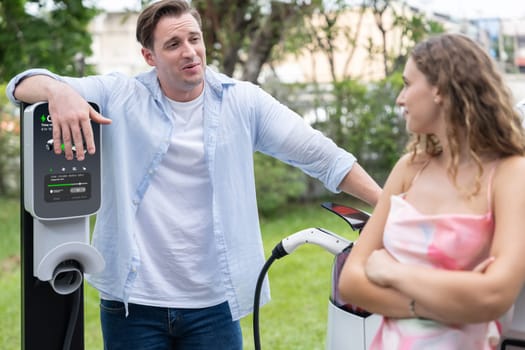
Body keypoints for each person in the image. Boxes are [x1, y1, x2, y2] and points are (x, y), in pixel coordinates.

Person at [6, 1, 381, 349]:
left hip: (214, 306)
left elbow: (324, 157)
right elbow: (21, 84)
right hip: (133, 304)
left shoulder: (243, 101)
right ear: (149, 56)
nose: (189, 51)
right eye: (172, 44)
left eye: (194, 39)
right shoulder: (120, 95)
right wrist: (59, 91)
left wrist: (388, 207)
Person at [337, 32, 525, 349]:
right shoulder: (409, 169)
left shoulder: (510, 173)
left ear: (439, 88)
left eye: (408, 84)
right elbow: (352, 282)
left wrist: (392, 273)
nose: (400, 98)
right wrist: (453, 302)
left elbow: (495, 294)